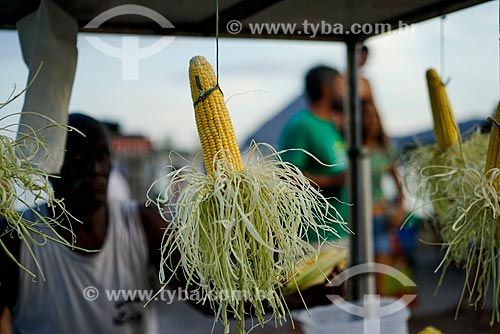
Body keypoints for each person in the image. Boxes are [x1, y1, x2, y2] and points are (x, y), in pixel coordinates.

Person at [0, 113, 335, 333]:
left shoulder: (141, 224)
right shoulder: (18, 240)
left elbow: (211, 299)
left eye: (101, 156)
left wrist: (304, 297)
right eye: (76, 159)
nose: (94, 169)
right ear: (49, 168)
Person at [278, 65, 349, 247]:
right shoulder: (302, 125)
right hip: (314, 237)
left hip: (339, 230)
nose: (345, 93)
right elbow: (288, 176)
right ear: (326, 90)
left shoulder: (332, 125)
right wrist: (333, 182)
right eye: (341, 87)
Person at [362, 102, 407, 295]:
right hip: (357, 218)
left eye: (374, 116)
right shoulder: (352, 148)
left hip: (380, 217)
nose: (371, 121)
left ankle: (379, 319)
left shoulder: (385, 149)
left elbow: (398, 183)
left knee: (379, 275)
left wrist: (400, 209)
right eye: (367, 116)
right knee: (360, 274)